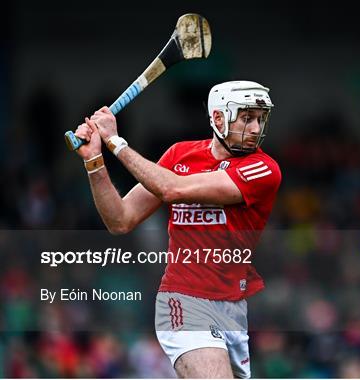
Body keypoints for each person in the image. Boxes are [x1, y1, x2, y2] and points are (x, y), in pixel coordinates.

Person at [74, 80, 281, 378]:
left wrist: (116, 142)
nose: (255, 128)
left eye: (260, 119)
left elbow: (173, 189)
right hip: (184, 301)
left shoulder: (263, 169)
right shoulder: (179, 156)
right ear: (219, 118)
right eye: (246, 118)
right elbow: (121, 219)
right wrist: (95, 160)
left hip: (233, 309)